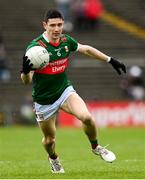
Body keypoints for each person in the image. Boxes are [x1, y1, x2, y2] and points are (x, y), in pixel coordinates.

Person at [21, 9, 126, 173]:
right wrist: (26, 71)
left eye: (60, 25)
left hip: (64, 91)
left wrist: (110, 60)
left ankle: (96, 146)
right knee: (49, 140)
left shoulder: (65, 40)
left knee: (87, 117)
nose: (57, 29)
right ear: (45, 25)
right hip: (44, 100)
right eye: (53, 25)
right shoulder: (35, 49)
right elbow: (26, 82)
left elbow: (86, 49)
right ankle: (54, 158)